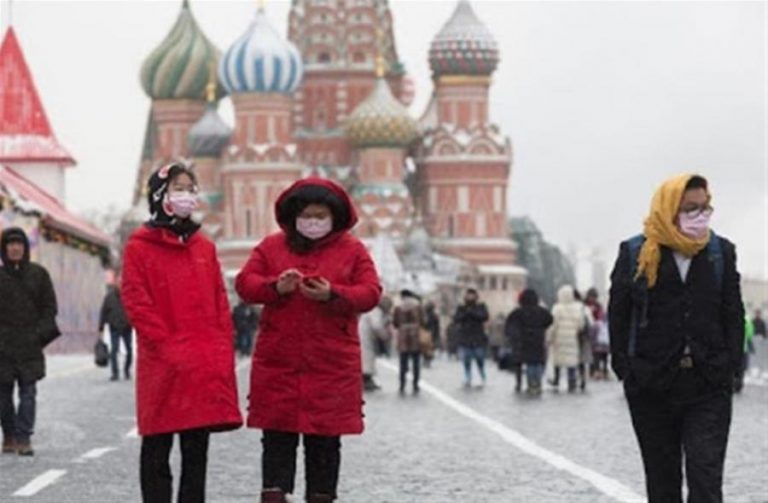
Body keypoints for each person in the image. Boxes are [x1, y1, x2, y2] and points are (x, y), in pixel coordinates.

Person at [235, 177, 381, 503]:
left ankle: (321, 496)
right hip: (280, 362)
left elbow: (371, 292)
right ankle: (276, 495)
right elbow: (245, 284)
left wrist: (333, 294)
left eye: (320, 215)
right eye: (306, 215)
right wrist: (276, 287)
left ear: (334, 217)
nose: (313, 222)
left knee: (325, 442)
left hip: (330, 364)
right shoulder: (272, 247)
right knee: (277, 438)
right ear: (294, 216)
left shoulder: (353, 250)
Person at [609, 174, 744, 503]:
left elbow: (732, 313)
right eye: (690, 208)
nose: (700, 216)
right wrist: (627, 369)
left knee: (705, 478)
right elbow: (619, 314)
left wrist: (730, 366)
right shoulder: (636, 253)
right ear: (669, 209)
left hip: (707, 382)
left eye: (705, 208)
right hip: (652, 385)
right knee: (662, 483)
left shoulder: (720, 253)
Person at [121, 163, 242, 502]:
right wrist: (166, 344)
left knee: (196, 449)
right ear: (160, 195)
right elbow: (136, 300)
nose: (187, 195)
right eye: (179, 188)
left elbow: (219, 300)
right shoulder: (140, 247)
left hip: (201, 361)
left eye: (191, 188)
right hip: (164, 363)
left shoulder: (204, 247)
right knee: (157, 445)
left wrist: (222, 344)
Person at [0, 227, 60, 456]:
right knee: (3, 397)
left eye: (19, 244)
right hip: (3, 348)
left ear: (25, 248)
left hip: (30, 346)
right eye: (10, 244)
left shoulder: (39, 275)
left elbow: (49, 308)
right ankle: (9, 434)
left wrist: (39, 335)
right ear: (4, 248)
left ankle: (24, 437)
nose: (15, 248)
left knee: (28, 394)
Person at [505, 289, 553, 395]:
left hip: (525, 341)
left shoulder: (518, 312)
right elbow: (550, 319)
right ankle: (538, 382)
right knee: (538, 363)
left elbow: (510, 324)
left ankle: (531, 384)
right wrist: (541, 327)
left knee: (530, 363)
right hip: (538, 340)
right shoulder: (541, 311)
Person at [546, 285, 586, 393]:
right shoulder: (578, 308)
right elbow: (581, 325)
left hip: (559, 339)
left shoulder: (557, 308)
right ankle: (572, 382)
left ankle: (556, 380)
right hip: (572, 338)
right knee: (571, 361)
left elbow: (553, 325)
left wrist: (549, 337)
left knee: (557, 361)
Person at [98, 275, 133, 381]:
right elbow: (103, 313)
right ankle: (115, 373)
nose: (120, 285)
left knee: (129, 351)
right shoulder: (109, 297)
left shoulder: (129, 295)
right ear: (115, 284)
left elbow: (135, 310)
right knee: (114, 350)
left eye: (122, 282)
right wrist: (101, 328)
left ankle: (127, 370)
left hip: (127, 327)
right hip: (114, 328)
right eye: (119, 282)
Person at [453, 289, 490, 388]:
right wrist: (466, 313)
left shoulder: (481, 306)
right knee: (466, 359)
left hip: (478, 337)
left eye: (472, 295)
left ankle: (482, 376)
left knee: (479, 358)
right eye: (468, 295)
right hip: (465, 337)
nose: (470, 297)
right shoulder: (461, 308)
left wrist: (472, 313)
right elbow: (456, 318)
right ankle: (467, 377)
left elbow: (485, 316)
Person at [393, 290, 424, 394]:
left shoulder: (398, 306)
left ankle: (402, 384)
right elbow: (423, 320)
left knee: (403, 363)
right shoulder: (418, 305)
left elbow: (395, 323)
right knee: (416, 363)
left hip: (403, 336)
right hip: (415, 335)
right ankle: (415, 384)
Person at [359, 296, 392, 392]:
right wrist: (384, 336)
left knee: (367, 357)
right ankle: (366, 378)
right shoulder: (375, 311)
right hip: (366, 337)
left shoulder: (374, 310)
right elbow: (376, 326)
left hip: (366, 336)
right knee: (367, 357)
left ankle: (367, 378)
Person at [585, 288, 610, 380]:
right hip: (587, 331)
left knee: (600, 353)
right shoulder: (584, 305)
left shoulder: (598, 306)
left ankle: (602, 370)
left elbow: (601, 317)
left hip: (597, 332)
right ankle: (593, 371)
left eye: (594, 297)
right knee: (592, 353)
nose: (592, 299)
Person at [734, 310, 754, 393]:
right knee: (741, 368)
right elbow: (750, 334)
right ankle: (739, 384)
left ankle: (732, 383)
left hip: (732, 348)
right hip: (743, 348)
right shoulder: (747, 320)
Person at [422, 301, 441, 367]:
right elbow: (437, 326)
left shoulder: (425, 315)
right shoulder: (434, 315)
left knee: (426, 347)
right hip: (432, 333)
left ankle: (426, 360)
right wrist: (437, 334)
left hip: (426, 333)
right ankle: (428, 360)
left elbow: (423, 324)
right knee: (430, 348)